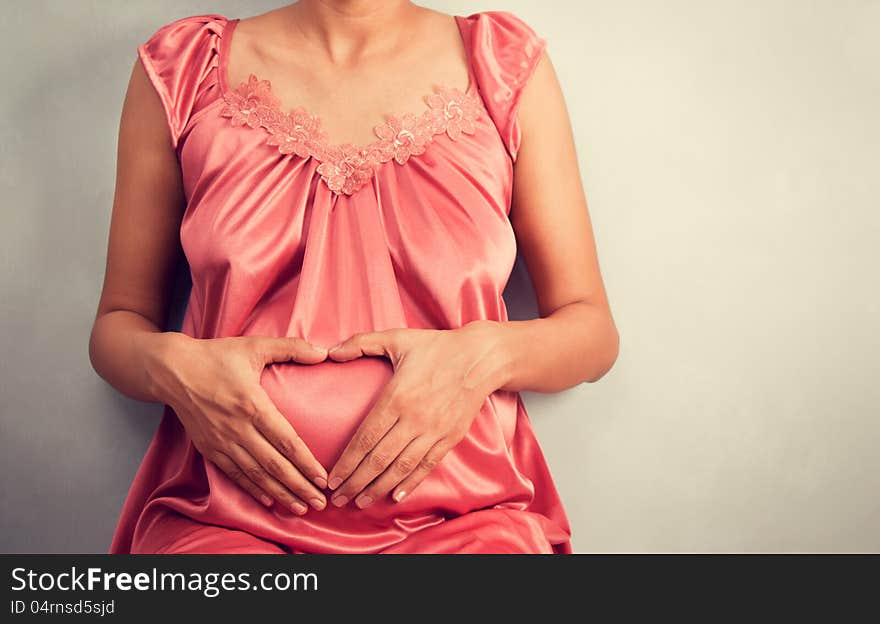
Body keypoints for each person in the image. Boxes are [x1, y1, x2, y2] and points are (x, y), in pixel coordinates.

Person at [89, 1, 619, 554]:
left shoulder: (502, 65)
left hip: (467, 521)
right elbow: (117, 325)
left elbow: (591, 331)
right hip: (222, 519)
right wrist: (178, 371)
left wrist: (476, 359)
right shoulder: (184, 69)